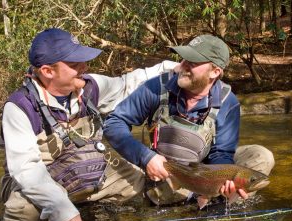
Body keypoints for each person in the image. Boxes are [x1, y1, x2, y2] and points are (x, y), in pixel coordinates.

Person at [0, 28, 177, 221]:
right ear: (47, 71)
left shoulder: (89, 86)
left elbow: (126, 84)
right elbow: (27, 170)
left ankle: (92, 211)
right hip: (39, 178)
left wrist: (171, 68)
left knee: (137, 180)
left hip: (81, 169)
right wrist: (62, 211)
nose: (84, 67)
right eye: (75, 65)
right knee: (23, 212)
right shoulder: (19, 107)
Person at [103, 34, 275, 206]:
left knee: (261, 156)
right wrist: (145, 157)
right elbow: (113, 122)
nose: (182, 66)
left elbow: (221, 153)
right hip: (163, 168)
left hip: (203, 171)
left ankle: (215, 198)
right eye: (184, 59)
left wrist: (225, 181)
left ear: (215, 72)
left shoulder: (228, 103)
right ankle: (176, 195)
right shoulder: (156, 87)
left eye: (192, 63)